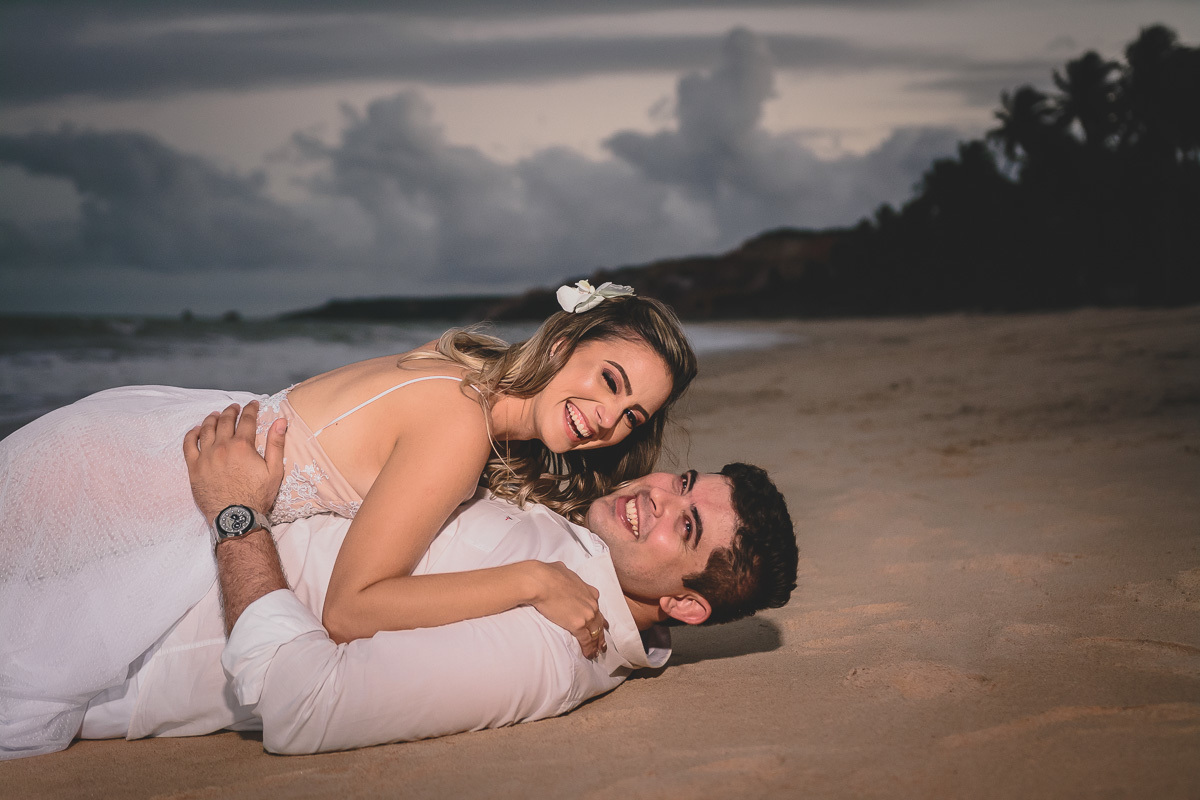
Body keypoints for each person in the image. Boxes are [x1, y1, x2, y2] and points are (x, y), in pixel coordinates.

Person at [0, 285, 697, 759]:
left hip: (140, 448)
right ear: (563, 343)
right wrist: (531, 580)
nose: (608, 419)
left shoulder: (470, 379)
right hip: (139, 488)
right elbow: (352, 607)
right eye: (610, 381)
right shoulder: (460, 425)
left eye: (631, 415)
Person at [71, 400, 798, 755]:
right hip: (139, 556)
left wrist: (236, 516)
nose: (661, 495)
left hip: (128, 639)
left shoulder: (551, 652)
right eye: (685, 481)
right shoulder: (577, 557)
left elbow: (303, 702)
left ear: (684, 605)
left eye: (686, 527)